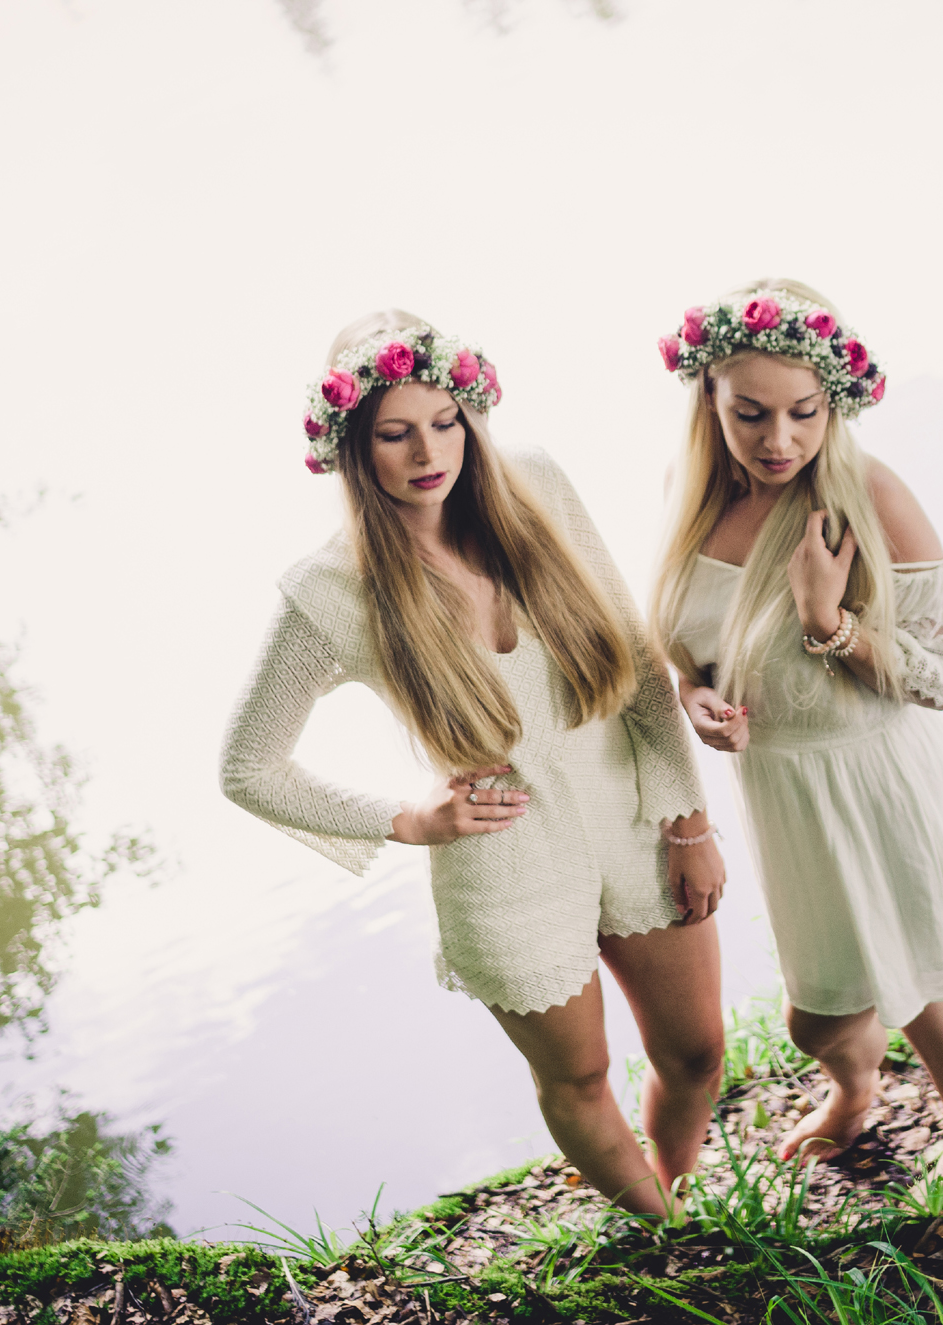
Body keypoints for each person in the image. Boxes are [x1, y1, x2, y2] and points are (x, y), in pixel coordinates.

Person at [221, 311, 725, 1220]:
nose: (429, 452)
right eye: (395, 433)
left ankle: (680, 1181)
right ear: (351, 444)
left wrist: (689, 818)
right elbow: (249, 767)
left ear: (472, 414)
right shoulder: (328, 591)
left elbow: (641, 662)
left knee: (697, 1052)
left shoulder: (536, 484)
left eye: (446, 421)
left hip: (633, 815)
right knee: (579, 1077)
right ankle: (676, 1235)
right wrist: (406, 820)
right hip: (504, 862)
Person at [646, 280, 943, 1184]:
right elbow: (686, 643)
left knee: (902, 961)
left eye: (803, 413)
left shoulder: (869, 495)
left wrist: (829, 622)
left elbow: (942, 675)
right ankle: (857, 1091)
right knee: (817, 1015)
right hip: (783, 790)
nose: (780, 440)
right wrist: (694, 693)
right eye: (751, 414)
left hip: (871, 772)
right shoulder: (691, 499)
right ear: (710, 399)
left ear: (833, 402)